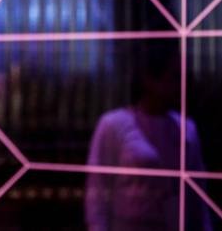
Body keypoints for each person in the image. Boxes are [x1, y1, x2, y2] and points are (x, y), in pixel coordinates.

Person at [85, 50, 212, 231]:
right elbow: (96, 190)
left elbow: (198, 192)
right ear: (150, 80)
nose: (182, 85)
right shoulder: (114, 125)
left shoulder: (187, 128)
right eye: (175, 77)